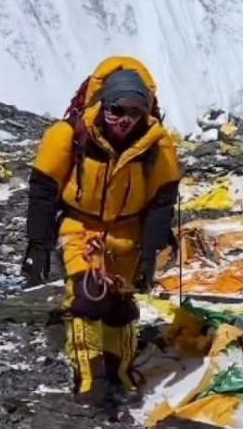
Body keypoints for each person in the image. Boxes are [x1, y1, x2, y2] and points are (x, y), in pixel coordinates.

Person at [21, 56, 180, 415]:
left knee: (120, 306)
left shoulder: (157, 147)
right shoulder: (68, 136)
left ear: (147, 110)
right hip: (81, 227)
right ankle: (90, 376)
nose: (125, 120)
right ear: (102, 105)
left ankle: (118, 371)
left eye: (135, 112)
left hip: (127, 232)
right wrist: (39, 246)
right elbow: (44, 191)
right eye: (116, 110)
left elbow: (161, 202)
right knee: (85, 298)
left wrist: (149, 254)